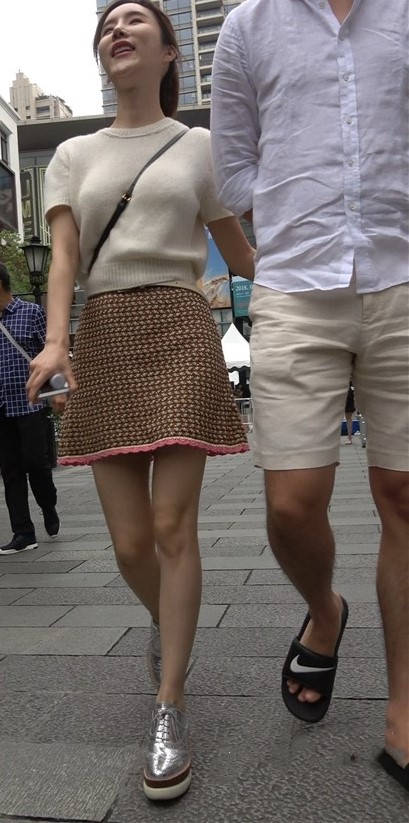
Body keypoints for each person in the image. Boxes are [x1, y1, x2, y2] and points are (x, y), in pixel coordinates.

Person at [27, 0, 254, 802]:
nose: (116, 30)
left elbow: (239, 254)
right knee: (129, 544)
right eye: (108, 24)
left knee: (169, 526)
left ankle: (170, 702)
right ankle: (169, 620)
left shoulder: (198, 146)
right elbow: (62, 258)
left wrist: (311, 293)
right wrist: (56, 341)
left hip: (182, 324)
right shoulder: (72, 153)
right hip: (106, 331)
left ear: (168, 53)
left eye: (134, 22)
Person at [211, 0, 409, 792]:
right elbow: (232, 163)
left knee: (403, 493)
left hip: (401, 272)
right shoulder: (247, 25)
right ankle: (324, 609)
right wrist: (290, 212)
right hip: (295, 278)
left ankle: (403, 704)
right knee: (291, 501)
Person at [0, 262, 60, 555]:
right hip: (1, 408)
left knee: (37, 464)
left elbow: (51, 353)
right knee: (10, 471)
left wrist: (57, 392)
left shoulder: (32, 312)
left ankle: (48, 506)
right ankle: (23, 532)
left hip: (30, 403)